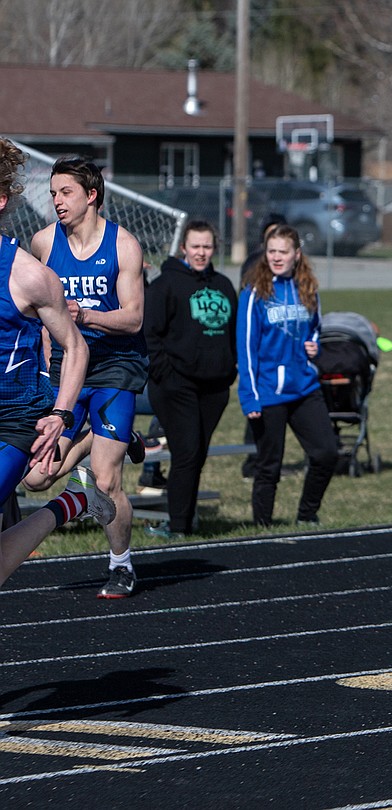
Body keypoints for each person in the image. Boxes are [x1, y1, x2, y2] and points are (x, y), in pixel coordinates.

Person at [22, 156, 148, 599]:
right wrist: (42, 363)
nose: (56, 201)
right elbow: (36, 315)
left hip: (116, 365)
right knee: (37, 477)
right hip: (65, 370)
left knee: (107, 479)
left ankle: (120, 564)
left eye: (65, 192)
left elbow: (134, 319)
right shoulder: (42, 242)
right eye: (53, 193)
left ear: (91, 195)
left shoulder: (124, 245)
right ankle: (107, 435)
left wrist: (87, 314)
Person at [0, 138, 115, 586]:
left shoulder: (28, 275)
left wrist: (61, 413)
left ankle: (79, 452)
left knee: (33, 479)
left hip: (13, 417)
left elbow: (76, 347)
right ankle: (70, 504)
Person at [141, 220, 238, 539]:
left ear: (215, 248)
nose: (201, 252)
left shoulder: (223, 285)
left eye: (207, 247)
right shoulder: (166, 284)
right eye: (195, 246)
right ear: (183, 247)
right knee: (186, 452)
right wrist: (165, 374)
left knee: (196, 454)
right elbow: (150, 333)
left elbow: (233, 333)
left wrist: (230, 369)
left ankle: (185, 517)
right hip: (175, 385)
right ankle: (179, 526)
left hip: (214, 387)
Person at [237, 223, 338, 527]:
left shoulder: (308, 288)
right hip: (268, 391)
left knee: (326, 454)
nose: (276, 258)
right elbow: (245, 348)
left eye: (283, 252)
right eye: (271, 251)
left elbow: (317, 329)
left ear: (297, 254)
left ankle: (307, 515)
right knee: (269, 465)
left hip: (305, 387)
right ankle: (263, 527)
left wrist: (314, 346)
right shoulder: (255, 293)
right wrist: (250, 397)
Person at [239, 213, 287, 481]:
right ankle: (253, 461)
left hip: (282, 352)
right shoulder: (254, 263)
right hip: (260, 349)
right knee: (257, 407)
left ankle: (269, 460)